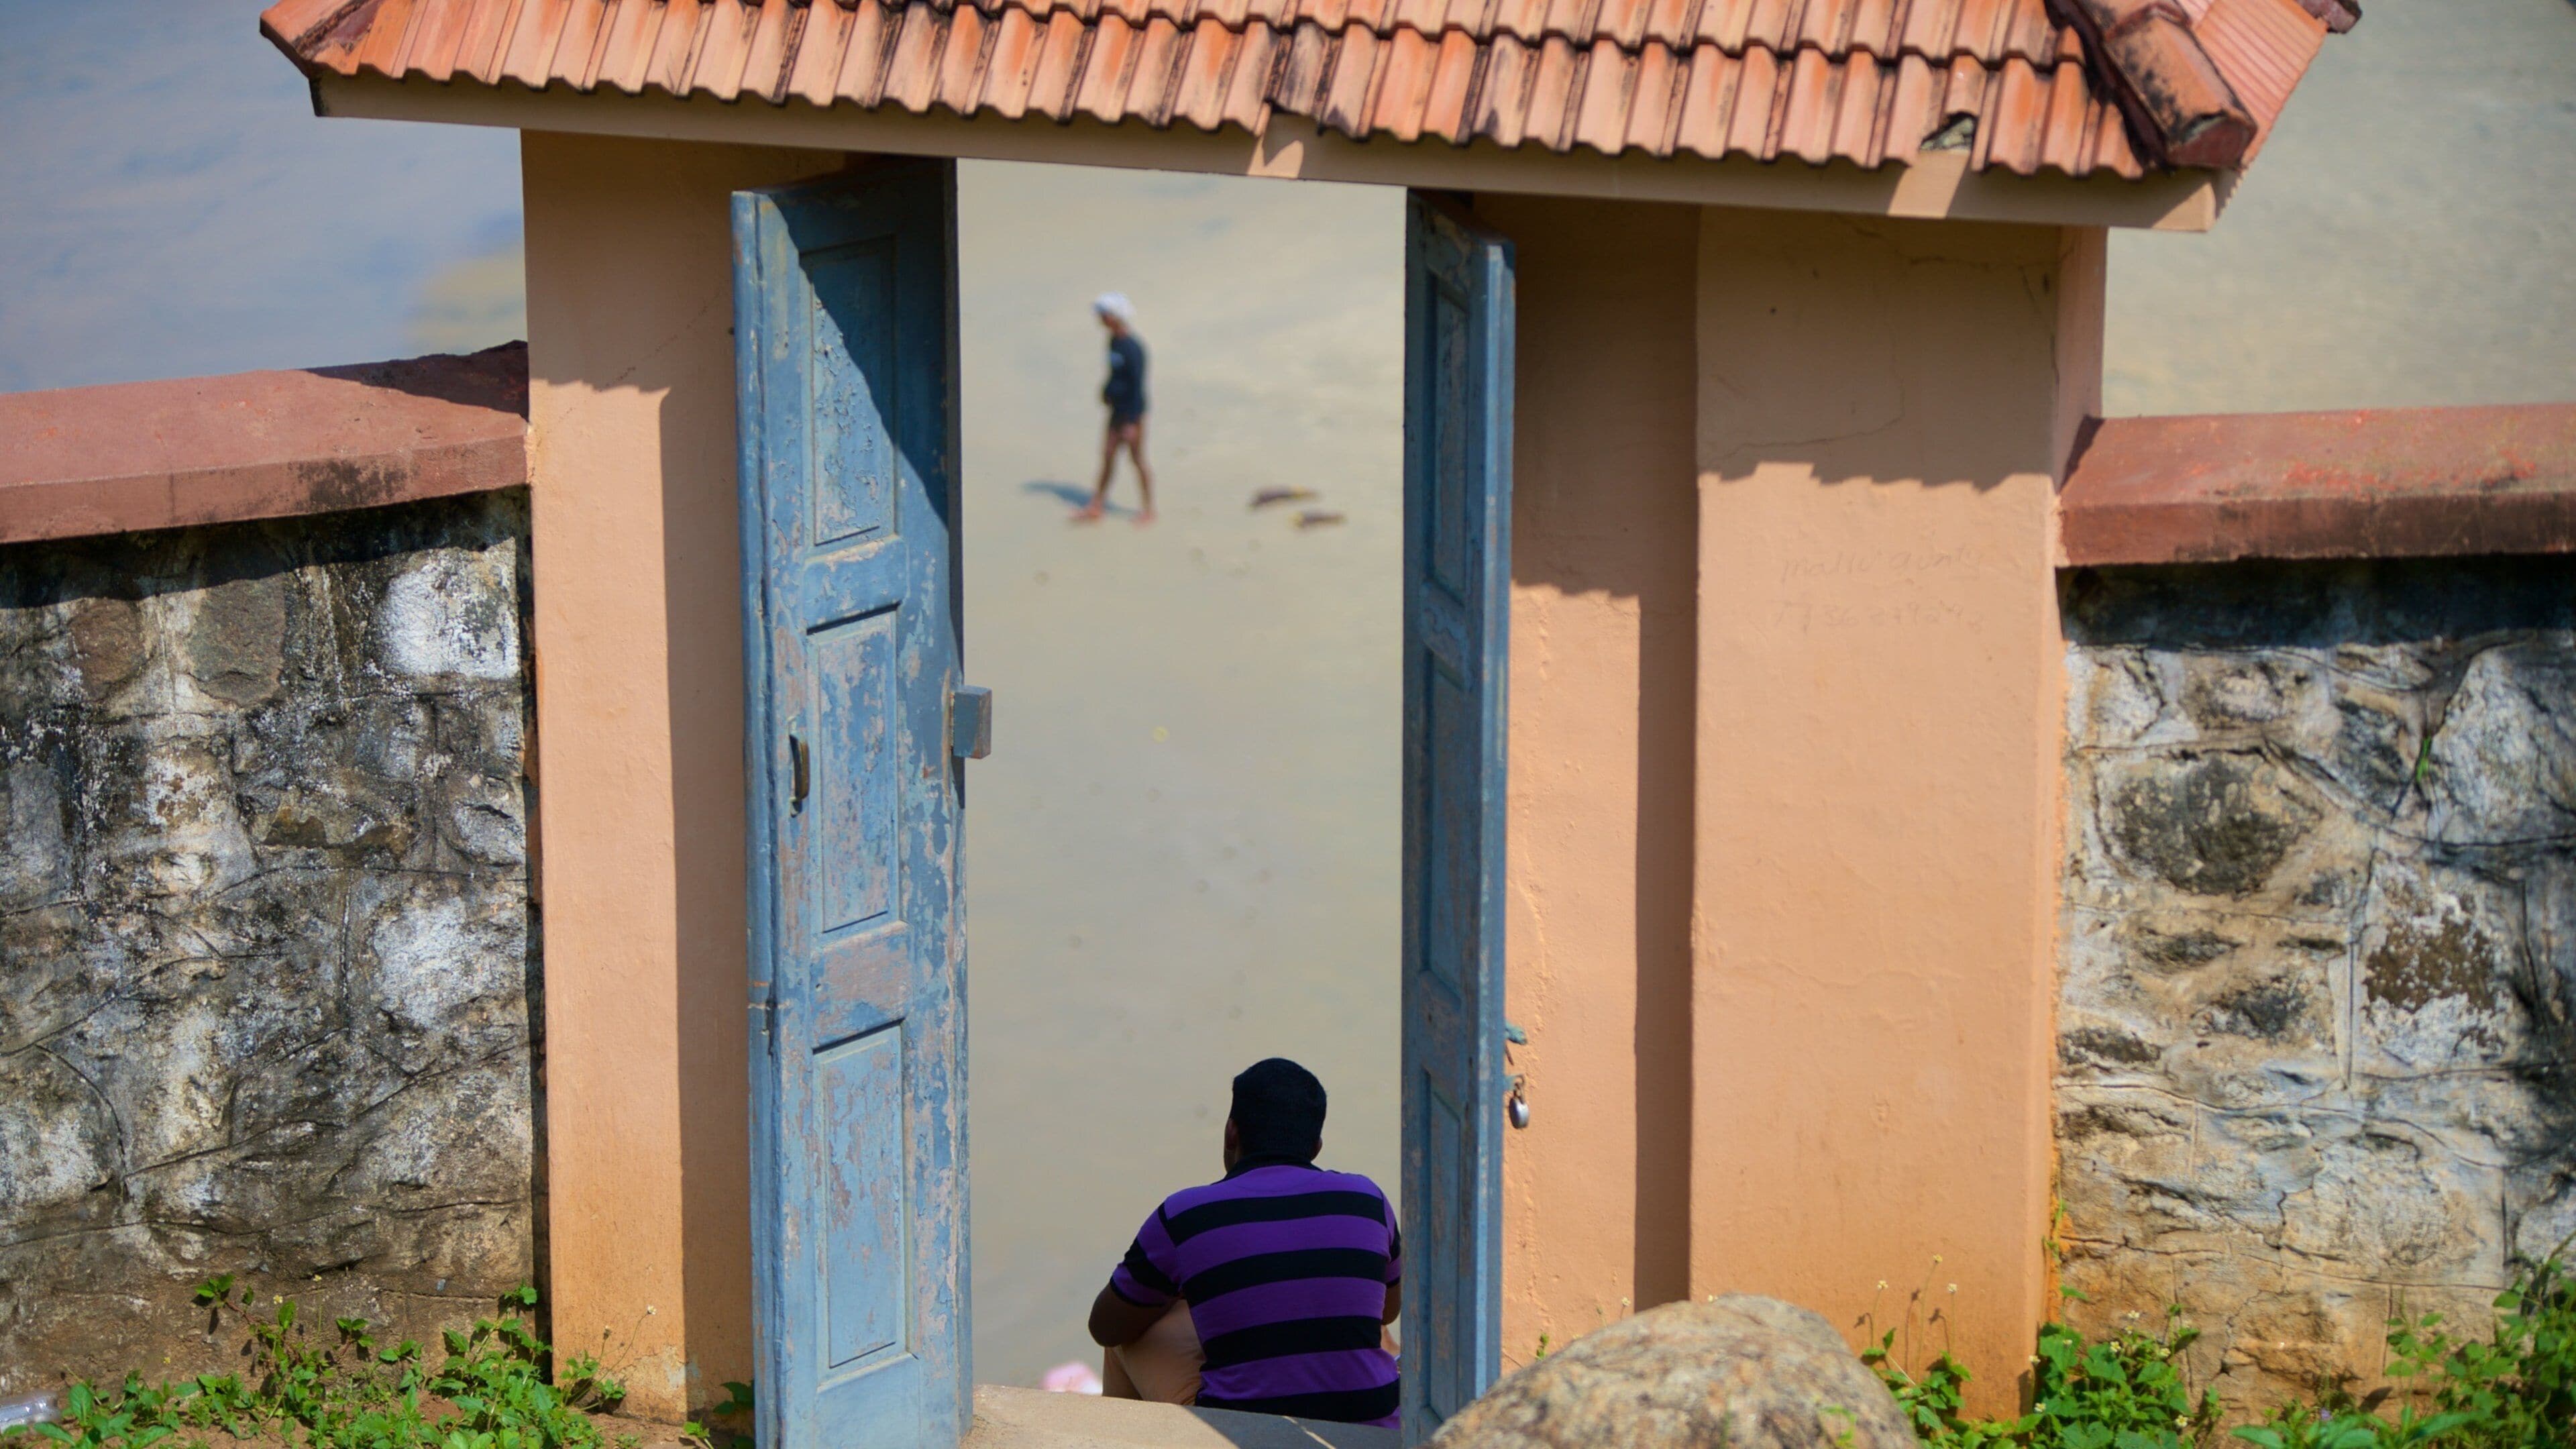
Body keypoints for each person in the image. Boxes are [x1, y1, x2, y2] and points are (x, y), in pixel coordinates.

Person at [1087, 1059, 1402, 1428]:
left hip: (1244, 1430)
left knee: (1132, 1331)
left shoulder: (1185, 1214)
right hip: (1372, 1425)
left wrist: (1189, 1289)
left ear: (1230, 1134)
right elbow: (1387, 1312)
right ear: (1316, 1146)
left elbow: (1106, 1326)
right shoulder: (1368, 1199)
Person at [1076, 292, 1155, 525]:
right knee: (1108, 456)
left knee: (1137, 459)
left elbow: (1138, 386)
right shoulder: (1113, 342)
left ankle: (1148, 509)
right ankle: (1096, 504)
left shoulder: (1133, 348)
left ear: (1114, 317)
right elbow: (1114, 375)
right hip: (1116, 412)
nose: (1099, 319)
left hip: (1132, 415)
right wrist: (1106, 392)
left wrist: (1131, 422)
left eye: (1103, 315)